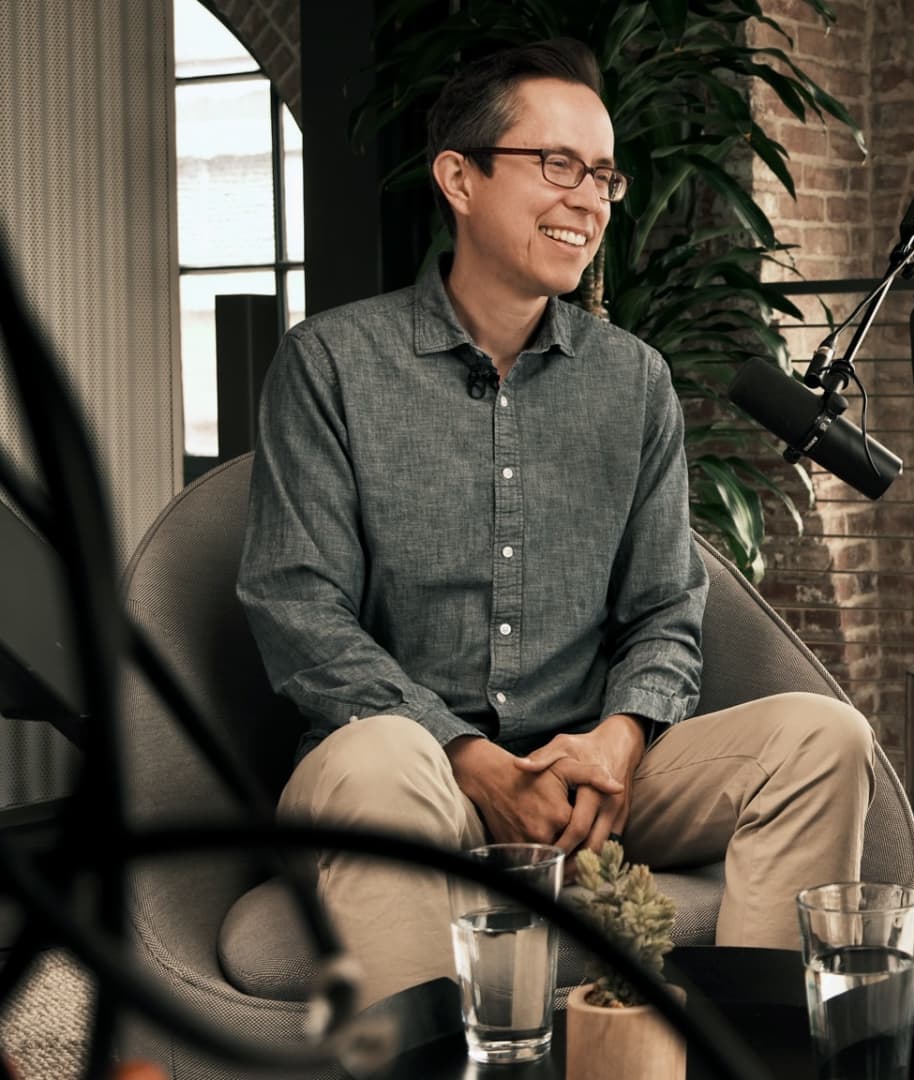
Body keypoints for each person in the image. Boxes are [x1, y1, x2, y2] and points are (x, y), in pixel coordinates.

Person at [238, 38, 875, 1006]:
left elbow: (664, 607)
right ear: (459, 177)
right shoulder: (331, 364)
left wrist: (619, 738)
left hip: (590, 780)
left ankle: (750, 1055)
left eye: (604, 175)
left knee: (821, 737)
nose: (589, 200)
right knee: (379, 757)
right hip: (413, 776)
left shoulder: (633, 381)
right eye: (557, 165)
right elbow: (298, 609)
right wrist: (470, 757)